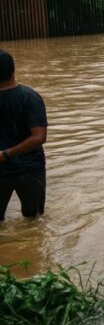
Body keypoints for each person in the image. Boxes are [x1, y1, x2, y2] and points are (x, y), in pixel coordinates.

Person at [0, 50, 48, 222]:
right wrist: (7, 154)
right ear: (13, 70)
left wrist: (6, 154)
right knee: (34, 221)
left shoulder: (29, 97)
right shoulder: (30, 97)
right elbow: (39, 137)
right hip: (30, 168)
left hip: (8, 168)